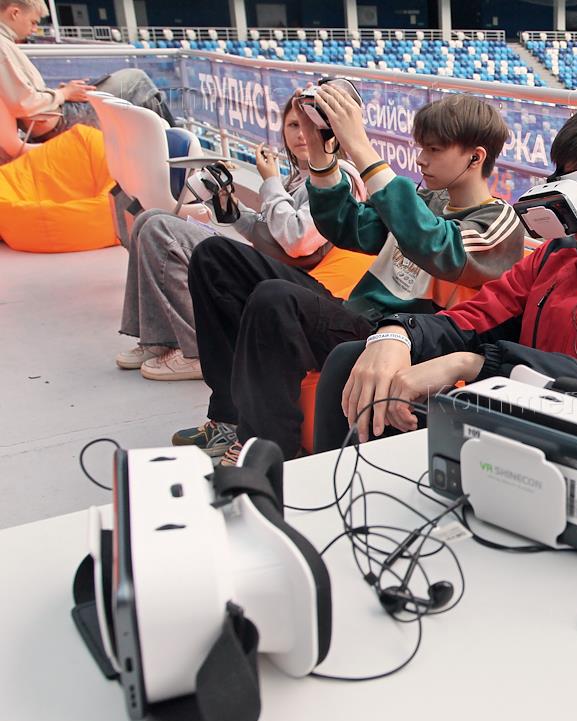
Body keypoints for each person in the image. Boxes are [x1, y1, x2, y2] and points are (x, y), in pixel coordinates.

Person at [312, 95, 577, 452]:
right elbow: (473, 318)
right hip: (504, 426)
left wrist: (477, 365)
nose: (574, 222)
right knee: (353, 360)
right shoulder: (556, 258)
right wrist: (395, 334)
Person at [174, 89, 524, 462]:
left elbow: (439, 247)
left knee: (275, 298)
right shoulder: (427, 200)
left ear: (475, 157)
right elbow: (348, 226)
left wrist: (359, 146)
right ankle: (228, 416)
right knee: (215, 256)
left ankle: (267, 448)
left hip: (395, 338)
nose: (421, 159)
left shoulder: (499, 222)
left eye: (434, 150)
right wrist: (321, 153)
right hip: (353, 314)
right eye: (421, 148)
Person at [117, 94, 363, 381]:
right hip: (278, 267)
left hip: (302, 284)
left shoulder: (339, 178)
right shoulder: (298, 177)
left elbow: (298, 241)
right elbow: (269, 234)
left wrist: (271, 182)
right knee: (148, 219)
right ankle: (159, 339)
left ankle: (197, 351)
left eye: (310, 126)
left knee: (160, 228)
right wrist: (230, 205)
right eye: (294, 125)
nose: (302, 134)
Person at [0, 0, 173, 141]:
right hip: (58, 122)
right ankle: (176, 144)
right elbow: (23, 103)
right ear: (15, 13)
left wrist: (58, 92)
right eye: (33, 22)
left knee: (137, 92)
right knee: (138, 80)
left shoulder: (6, 45)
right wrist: (64, 93)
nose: (34, 29)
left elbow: (22, 97)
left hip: (54, 115)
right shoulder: (3, 47)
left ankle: (171, 142)